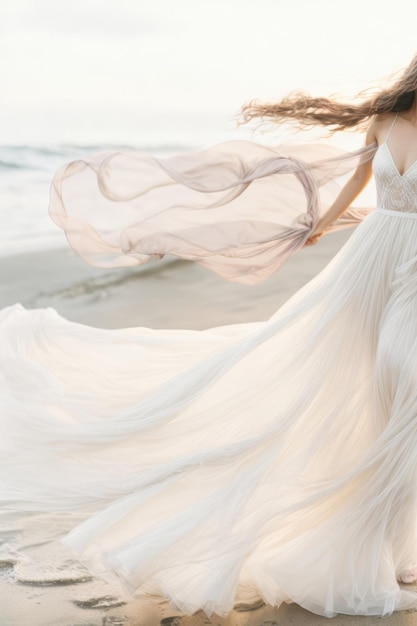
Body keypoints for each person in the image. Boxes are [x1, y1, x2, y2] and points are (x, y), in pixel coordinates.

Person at [2, 53, 417, 620]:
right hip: (370, 266)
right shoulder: (382, 119)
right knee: (362, 391)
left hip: (413, 269)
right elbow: (358, 183)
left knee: (404, 386)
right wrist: (318, 225)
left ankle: (386, 542)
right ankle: (364, 545)